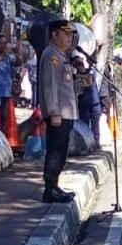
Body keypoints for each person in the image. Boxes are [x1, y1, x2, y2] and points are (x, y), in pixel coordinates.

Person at [39, 20, 80, 204]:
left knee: (61, 151)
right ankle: (49, 189)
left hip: (67, 112)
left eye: (71, 35)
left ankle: (54, 186)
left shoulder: (62, 55)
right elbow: (50, 86)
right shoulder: (51, 55)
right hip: (59, 114)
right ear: (55, 35)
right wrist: (54, 111)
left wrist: (81, 83)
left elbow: (66, 85)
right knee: (55, 151)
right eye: (66, 34)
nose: (70, 38)